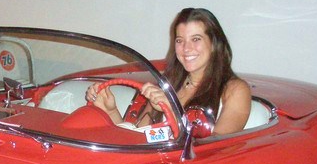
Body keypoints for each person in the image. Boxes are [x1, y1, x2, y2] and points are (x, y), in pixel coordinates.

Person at [87, 8, 251, 135]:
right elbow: (138, 137)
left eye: (196, 39)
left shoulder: (235, 90)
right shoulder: (169, 82)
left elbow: (216, 150)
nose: (186, 48)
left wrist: (172, 112)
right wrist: (110, 110)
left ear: (214, 44)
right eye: (180, 41)